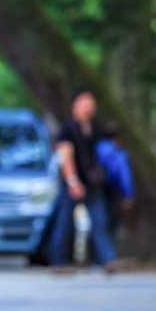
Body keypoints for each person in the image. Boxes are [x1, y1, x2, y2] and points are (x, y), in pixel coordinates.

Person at [48, 89, 117, 268]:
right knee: (64, 223)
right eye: (84, 103)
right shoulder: (68, 129)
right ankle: (58, 260)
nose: (88, 108)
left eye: (91, 104)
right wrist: (72, 181)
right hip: (72, 183)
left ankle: (108, 259)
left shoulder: (96, 128)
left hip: (93, 183)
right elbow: (65, 156)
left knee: (99, 221)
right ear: (75, 105)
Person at [96, 127, 135, 238]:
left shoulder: (96, 148)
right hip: (113, 191)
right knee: (112, 222)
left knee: (98, 221)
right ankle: (108, 252)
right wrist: (128, 195)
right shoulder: (118, 153)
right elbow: (124, 175)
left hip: (96, 189)